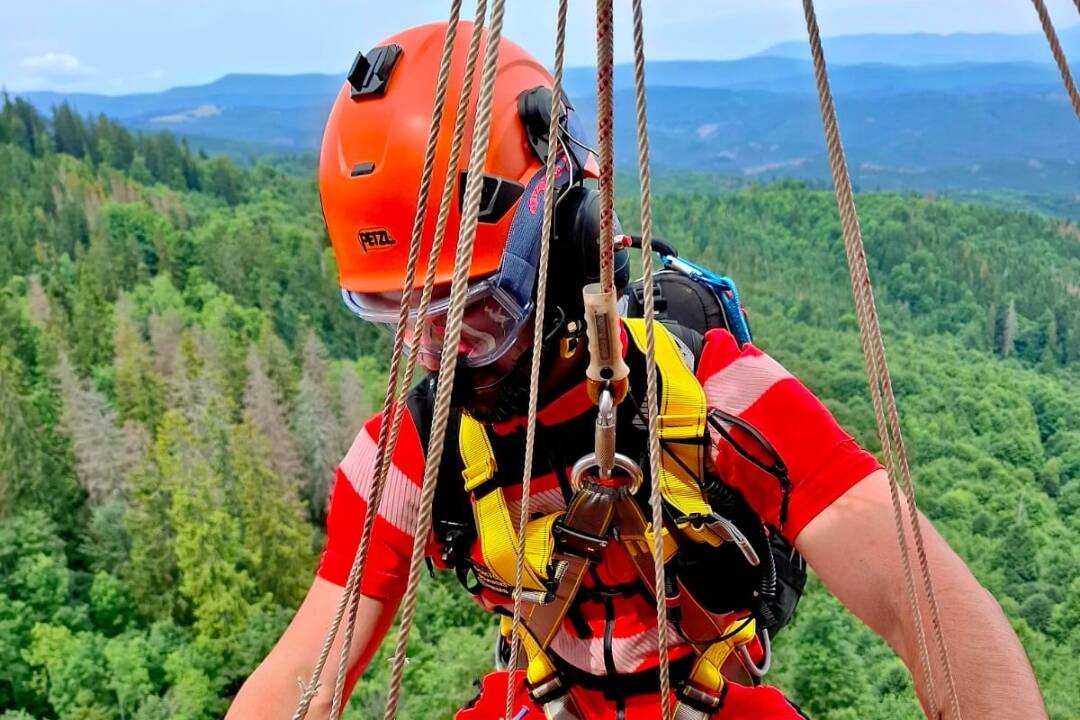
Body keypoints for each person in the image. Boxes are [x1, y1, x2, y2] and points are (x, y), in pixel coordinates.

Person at [227, 22, 1046, 720]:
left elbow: (934, 609)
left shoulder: (709, 392)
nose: (449, 356)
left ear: (569, 235)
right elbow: (307, 672)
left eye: (478, 309)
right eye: (411, 321)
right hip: (542, 695)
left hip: (709, 695)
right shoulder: (413, 452)